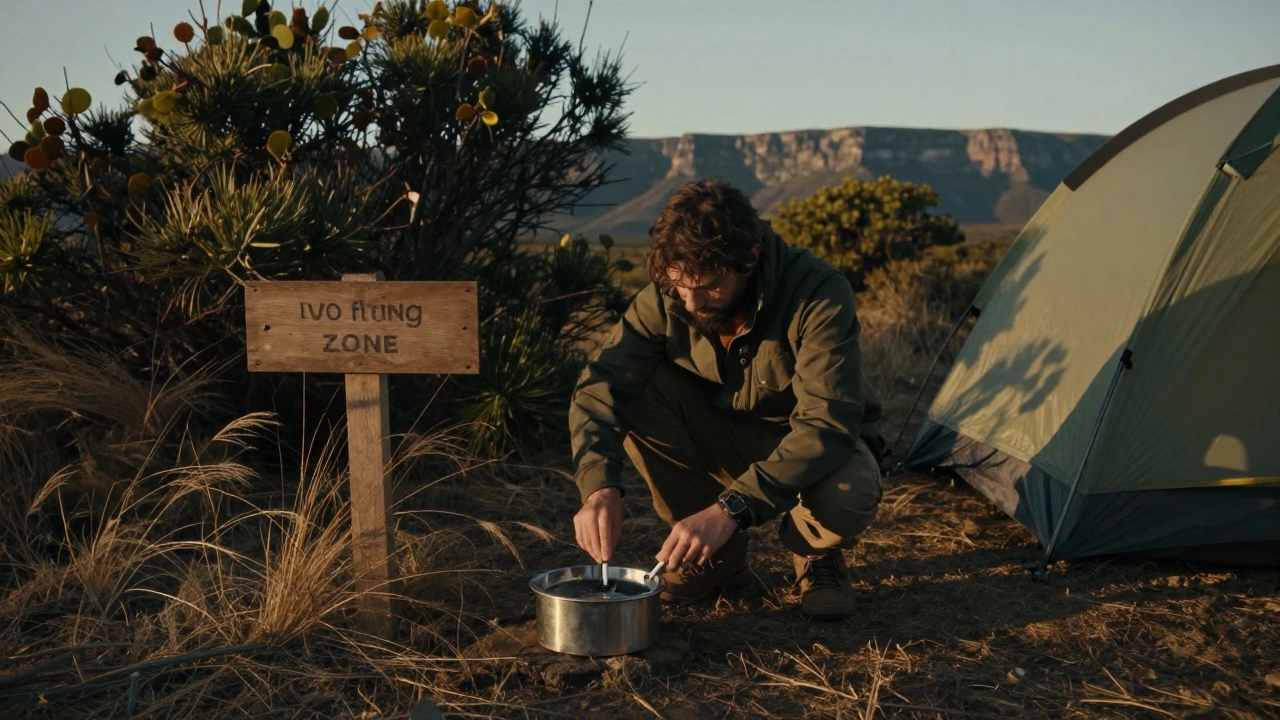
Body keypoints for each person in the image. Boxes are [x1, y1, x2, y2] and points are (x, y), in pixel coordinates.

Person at [568, 177, 884, 619]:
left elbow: (826, 424)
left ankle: (816, 553)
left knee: (848, 493)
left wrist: (731, 508)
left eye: (709, 285)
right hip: (721, 437)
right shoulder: (668, 295)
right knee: (636, 387)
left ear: (750, 257)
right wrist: (598, 489)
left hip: (806, 451)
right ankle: (715, 560)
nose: (692, 303)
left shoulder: (817, 291)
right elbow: (602, 386)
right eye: (680, 285)